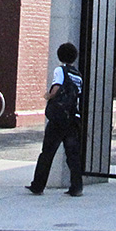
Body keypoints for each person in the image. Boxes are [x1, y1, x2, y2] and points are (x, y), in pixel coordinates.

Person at [26, 42, 84, 196]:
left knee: (47, 152)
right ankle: (76, 187)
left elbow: (57, 86)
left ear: (59, 55)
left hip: (58, 119)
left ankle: (38, 185)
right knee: (72, 154)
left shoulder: (60, 70)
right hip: (72, 118)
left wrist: (49, 96)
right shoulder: (77, 75)